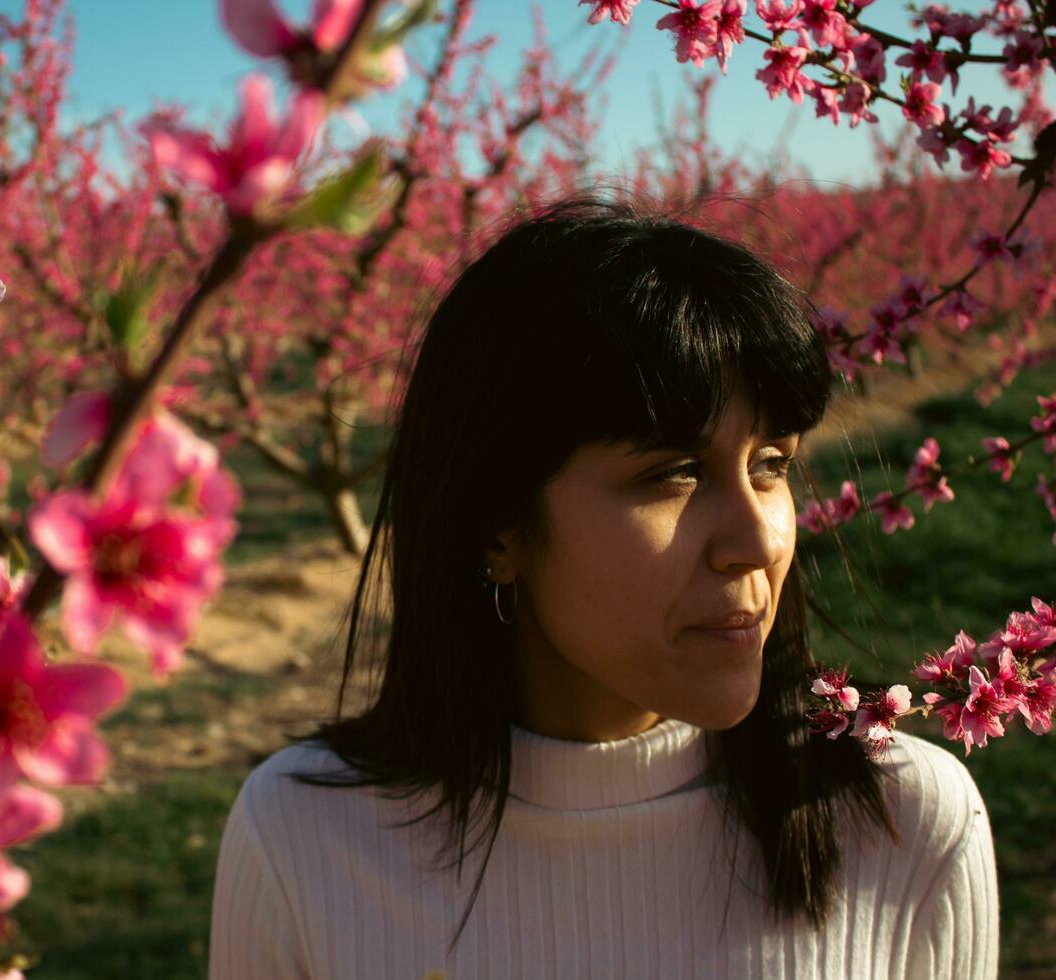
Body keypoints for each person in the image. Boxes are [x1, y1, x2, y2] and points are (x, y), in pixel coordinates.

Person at [206, 198, 999, 979]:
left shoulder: (908, 824)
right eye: (672, 474)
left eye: (772, 466)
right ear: (497, 528)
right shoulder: (305, 840)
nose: (757, 540)